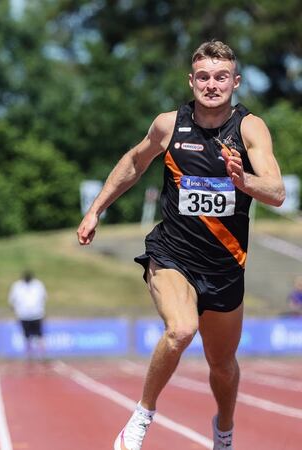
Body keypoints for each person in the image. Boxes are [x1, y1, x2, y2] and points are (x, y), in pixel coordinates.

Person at [77, 40, 285, 450]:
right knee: (181, 329)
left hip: (225, 265)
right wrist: (96, 209)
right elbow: (135, 163)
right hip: (173, 254)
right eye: (204, 77)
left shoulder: (249, 128)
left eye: (221, 77)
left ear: (235, 82)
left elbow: (276, 191)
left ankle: (223, 430)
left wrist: (244, 181)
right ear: (191, 81)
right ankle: (143, 413)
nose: (212, 84)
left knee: (222, 366)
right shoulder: (169, 125)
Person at [8, 270, 47, 360]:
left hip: (37, 314)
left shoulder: (38, 285)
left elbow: (44, 297)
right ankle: (29, 354)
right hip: (23, 315)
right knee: (26, 336)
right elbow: (12, 299)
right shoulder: (17, 286)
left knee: (39, 335)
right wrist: (14, 308)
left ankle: (42, 354)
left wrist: (41, 308)